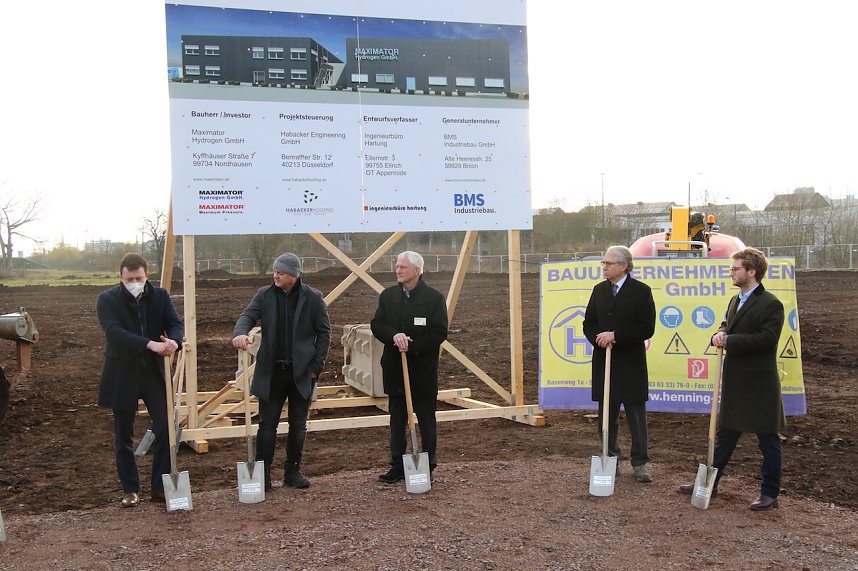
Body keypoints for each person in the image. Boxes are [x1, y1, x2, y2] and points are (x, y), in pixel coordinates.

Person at [680, 247, 785, 510]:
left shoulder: (771, 303)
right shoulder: (735, 300)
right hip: (736, 381)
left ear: (751, 271)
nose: (731, 272)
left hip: (760, 384)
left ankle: (770, 493)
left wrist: (730, 340)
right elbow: (729, 324)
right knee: (725, 435)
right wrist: (720, 332)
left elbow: (767, 339)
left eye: (735, 268)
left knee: (768, 440)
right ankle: (708, 485)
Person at [232, 252, 330, 491]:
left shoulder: (313, 298)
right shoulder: (264, 296)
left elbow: (324, 333)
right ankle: (263, 476)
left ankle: (292, 472)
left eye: (281, 272)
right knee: (267, 426)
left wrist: (316, 368)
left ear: (294, 275)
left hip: (302, 374)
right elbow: (248, 315)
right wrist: (240, 333)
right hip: (272, 373)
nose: (276, 275)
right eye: (275, 271)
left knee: (298, 426)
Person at [97, 253, 183, 507]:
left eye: (139, 278)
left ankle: (159, 485)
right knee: (123, 433)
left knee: (167, 426)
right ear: (120, 278)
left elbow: (174, 323)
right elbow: (115, 333)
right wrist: (150, 345)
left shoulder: (160, 296)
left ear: (147, 276)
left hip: (153, 374)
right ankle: (130, 489)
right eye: (129, 279)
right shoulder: (107, 300)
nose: (134, 282)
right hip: (122, 373)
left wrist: (174, 341)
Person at [372, 251, 448, 484]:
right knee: (397, 420)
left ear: (417, 270)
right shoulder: (388, 296)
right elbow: (377, 324)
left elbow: (439, 332)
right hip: (396, 370)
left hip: (422, 371)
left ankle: (427, 464)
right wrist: (394, 336)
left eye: (403, 267)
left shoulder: (433, 299)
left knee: (426, 420)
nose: (398, 270)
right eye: (397, 266)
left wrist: (413, 346)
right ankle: (397, 464)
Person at [583, 245, 656, 482]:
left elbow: (647, 327)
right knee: (607, 414)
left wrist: (617, 335)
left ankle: (640, 463)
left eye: (609, 263)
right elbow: (589, 322)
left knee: (636, 415)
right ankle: (610, 457)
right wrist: (599, 339)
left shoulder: (641, 292)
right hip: (605, 360)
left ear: (624, 265)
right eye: (603, 263)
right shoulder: (599, 291)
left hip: (631, 363)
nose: (604, 267)